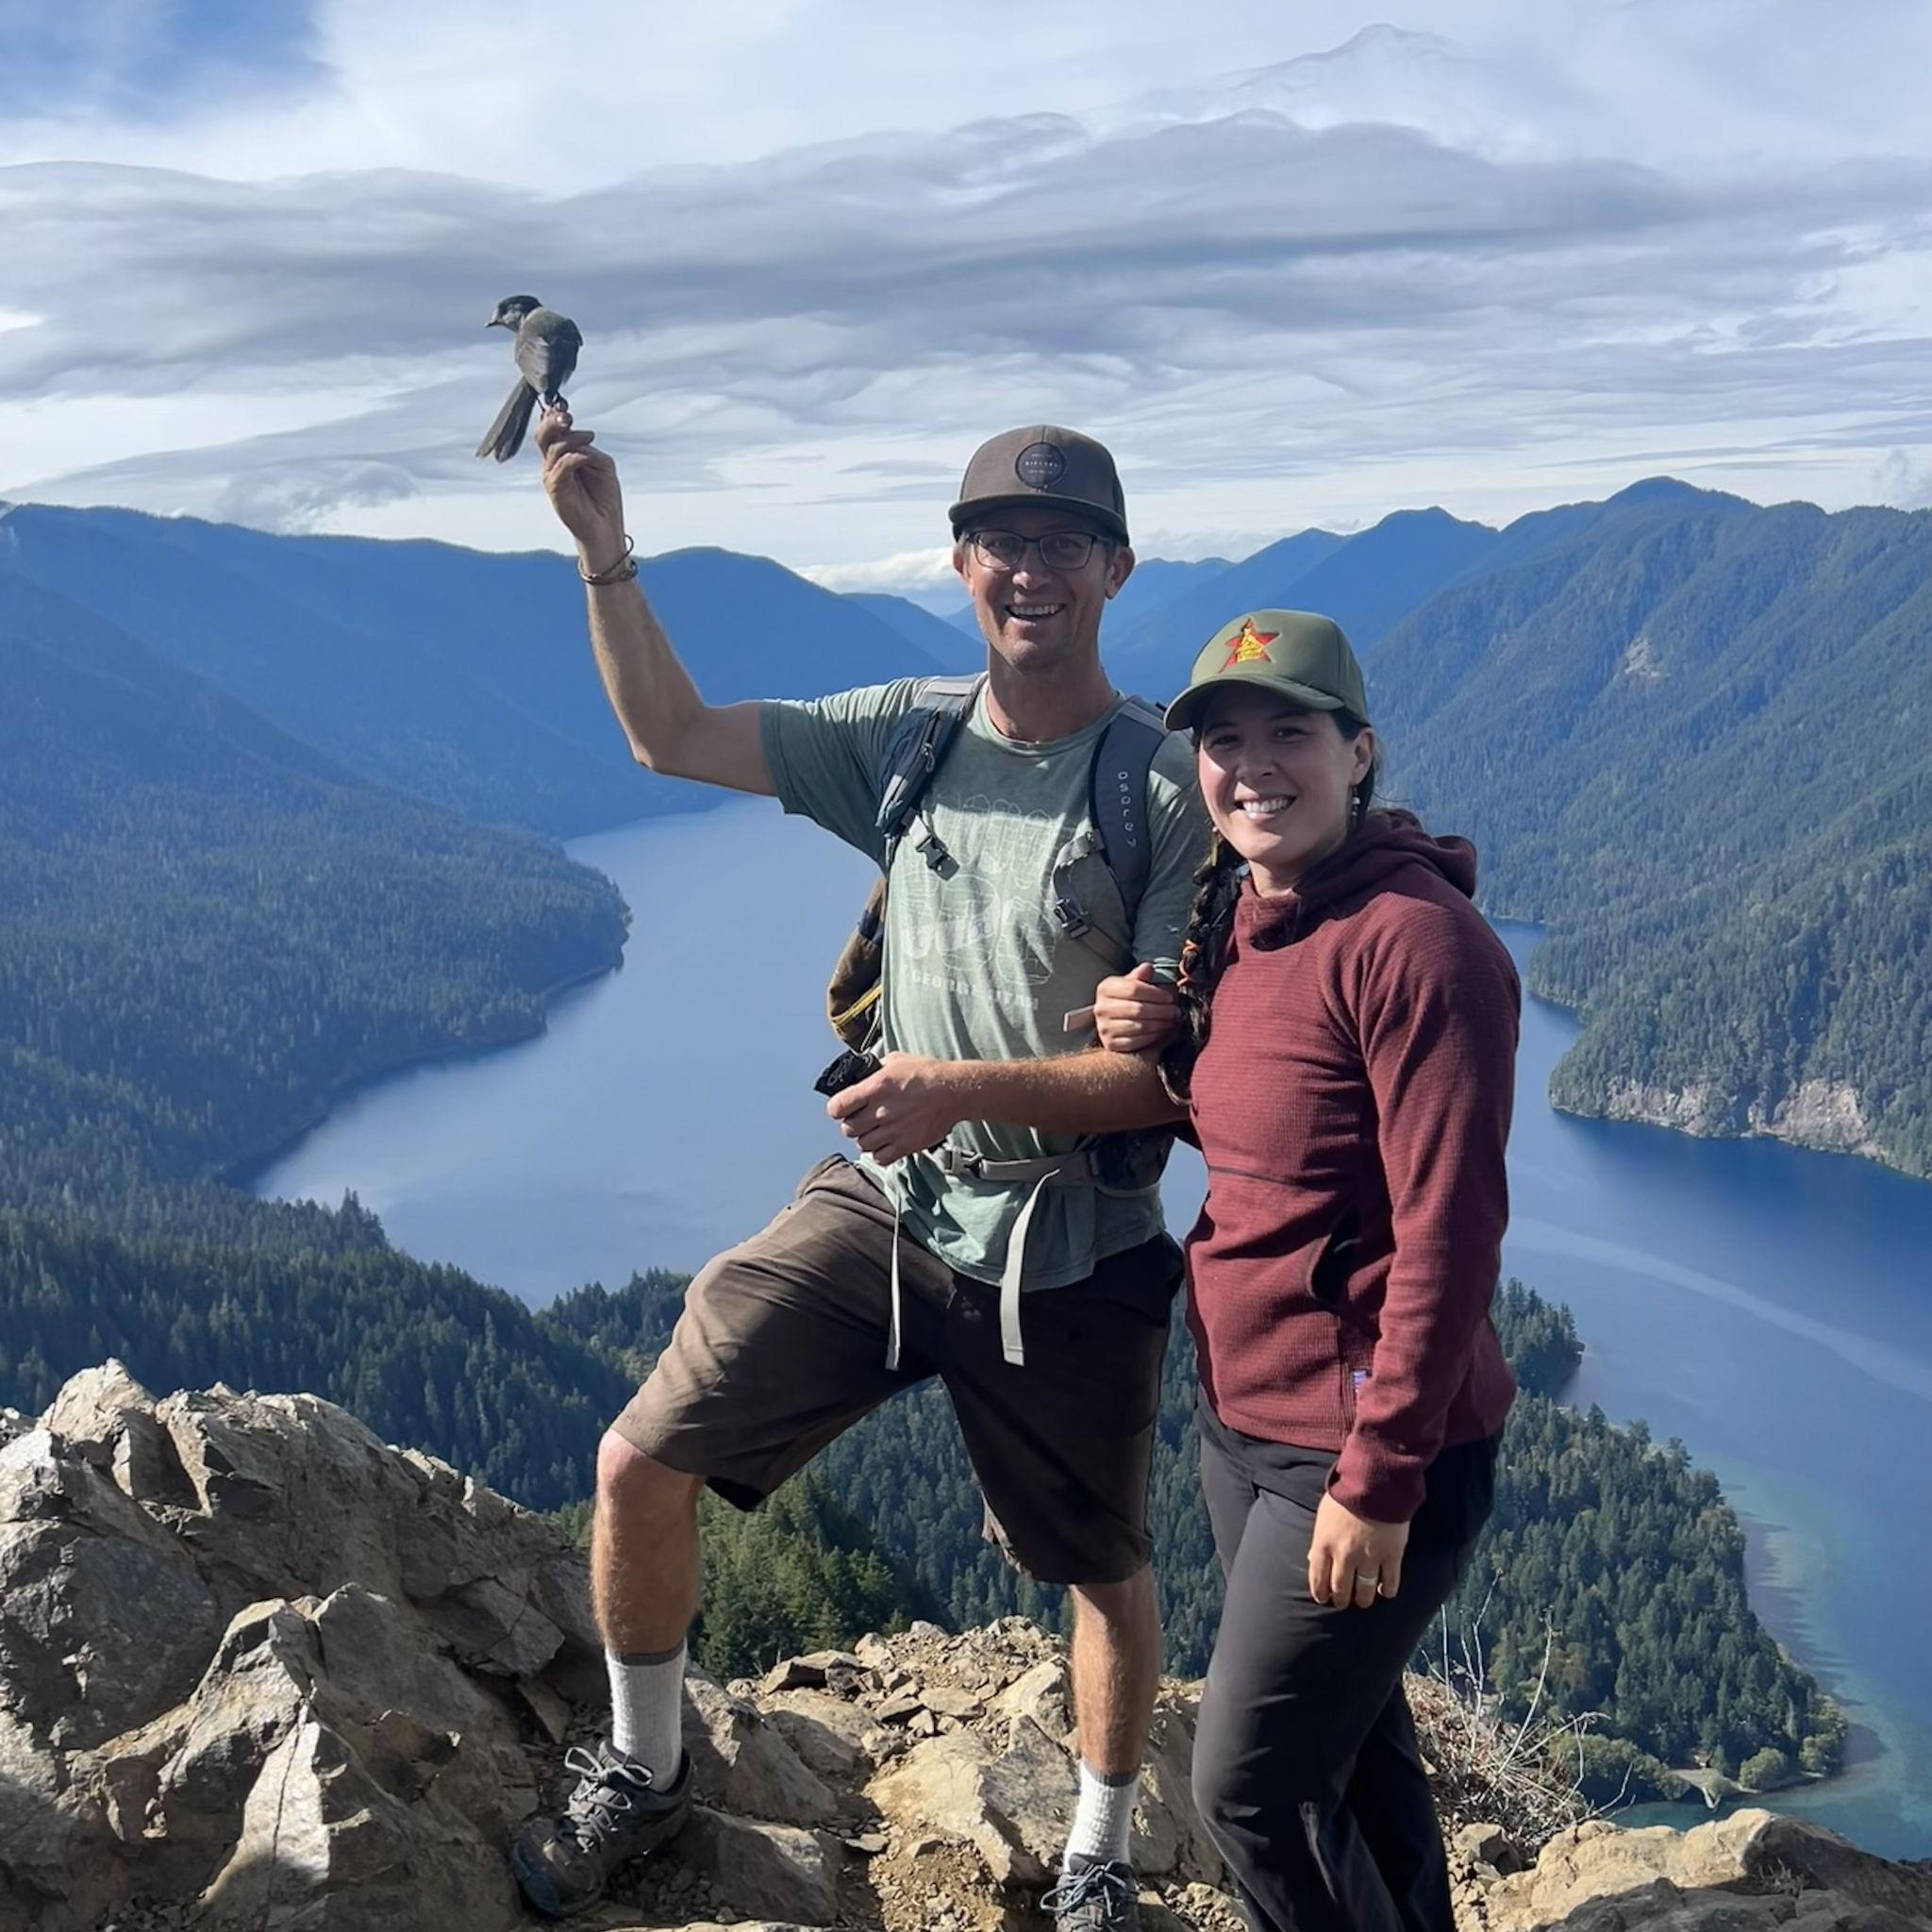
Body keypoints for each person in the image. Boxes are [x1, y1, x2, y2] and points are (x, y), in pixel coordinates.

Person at [508, 412, 1208, 1932]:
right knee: (640, 1460)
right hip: (891, 1209)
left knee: (1100, 1566)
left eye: (1064, 546)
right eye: (1002, 544)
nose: (1031, 572)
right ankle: (644, 1768)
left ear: (1115, 569)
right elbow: (670, 737)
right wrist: (604, 550)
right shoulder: (912, 736)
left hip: (1068, 1242)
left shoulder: (1163, 789)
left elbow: (1162, 1076)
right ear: (960, 563)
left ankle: (1096, 1861)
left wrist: (950, 1085)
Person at [1091, 609, 1519, 1932]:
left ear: (1360, 753)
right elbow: (1266, 1129)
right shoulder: (1246, 914)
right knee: (1351, 1744)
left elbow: (1450, 1238)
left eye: (1291, 733)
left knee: (1251, 1791)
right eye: (1225, 741)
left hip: (1360, 1450)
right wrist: (1164, 1040)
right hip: (1246, 1422)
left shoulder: (1419, 946)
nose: (1253, 766)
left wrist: (1380, 1477)